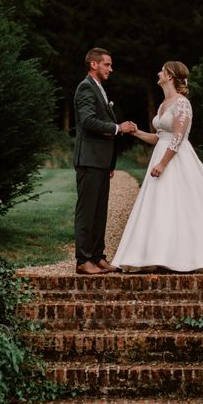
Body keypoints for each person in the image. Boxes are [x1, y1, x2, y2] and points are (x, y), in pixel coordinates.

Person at [111, 61, 203, 273]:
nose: (158, 73)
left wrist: (163, 163)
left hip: (177, 160)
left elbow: (178, 137)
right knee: (160, 207)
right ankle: (158, 254)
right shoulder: (163, 104)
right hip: (162, 155)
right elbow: (160, 137)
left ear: (170, 76)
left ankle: (188, 256)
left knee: (182, 205)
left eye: (162, 70)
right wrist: (137, 132)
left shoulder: (182, 103)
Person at [73, 47, 136, 275]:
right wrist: (119, 128)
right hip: (88, 161)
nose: (111, 69)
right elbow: (88, 121)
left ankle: (98, 256)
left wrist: (109, 163)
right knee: (87, 212)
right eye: (107, 64)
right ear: (94, 64)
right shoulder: (85, 88)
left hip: (100, 162)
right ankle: (83, 260)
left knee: (99, 212)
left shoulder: (98, 89)